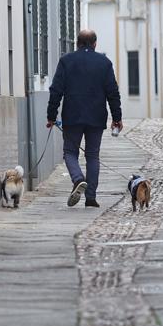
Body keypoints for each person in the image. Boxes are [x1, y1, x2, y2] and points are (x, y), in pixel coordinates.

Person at [46, 29, 123, 208]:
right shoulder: (104, 63)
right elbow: (113, 93)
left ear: (77, 43)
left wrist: (51, 115)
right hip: (96, 117)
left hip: (72, 116)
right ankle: (91, 197)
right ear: (95, 44)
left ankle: (77, 178)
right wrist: (117, 118)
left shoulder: (66, 61)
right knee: (92, 156)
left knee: (70, 152)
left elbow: (56, 90)